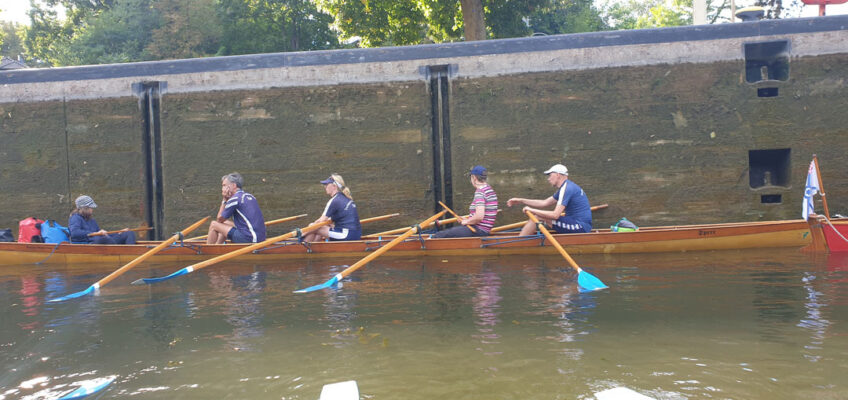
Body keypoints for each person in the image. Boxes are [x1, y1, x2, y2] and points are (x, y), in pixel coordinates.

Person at [506, 163, 592, 236]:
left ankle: (518, 242)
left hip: (580, 227)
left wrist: (531, 210)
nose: (548, 179)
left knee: (538, 216)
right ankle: (521, 240)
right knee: (539, 216)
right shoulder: (567, 187)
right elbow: (544, 202)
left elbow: (555, 215)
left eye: (550, 175)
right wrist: (521, 200)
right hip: (576, 223)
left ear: (558, 175)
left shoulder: (567, 188)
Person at [433, 165, 498, 238]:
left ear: (474, 178)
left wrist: (466, 222)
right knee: (448, 233)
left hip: (478, 231)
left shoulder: (480, 192)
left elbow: (479, 216)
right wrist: (468, 220)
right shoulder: (490, 190)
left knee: (439, 235)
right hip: (482, 230)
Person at [207, 172, 266, 244]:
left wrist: (224, 200)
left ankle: (207, 252)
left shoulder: (234, 199)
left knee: (214, 224)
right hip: (260, 238)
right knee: (225, 223)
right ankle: (218, 246)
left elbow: (219, 219)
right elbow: (222, 221)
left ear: (234, 185)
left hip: (249, 239)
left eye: (224, 185)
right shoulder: (250, 196)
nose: (222, 189)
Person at [302, 174, 362, 242]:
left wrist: (303, 232)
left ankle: (302, 248)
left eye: (326, 184)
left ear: (334, 186)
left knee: (313, 226)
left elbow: (320, 221)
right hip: (357, 234)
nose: (325, 187)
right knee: (322, 226)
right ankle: (313, 248)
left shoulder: (334, 200)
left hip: (346, 235)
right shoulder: (347, 198)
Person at [68, 195, 137, 244]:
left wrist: (119, 232)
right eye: (90, 208)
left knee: (129, 233)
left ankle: (131, 254)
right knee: (104, 239)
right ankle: (120, 254)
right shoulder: (75, 218)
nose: (92, 210)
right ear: (84, 208)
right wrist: (93, 233)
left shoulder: (91, 220)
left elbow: (101, 233)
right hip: (89, 244)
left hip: (102, 240)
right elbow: (74, 233)